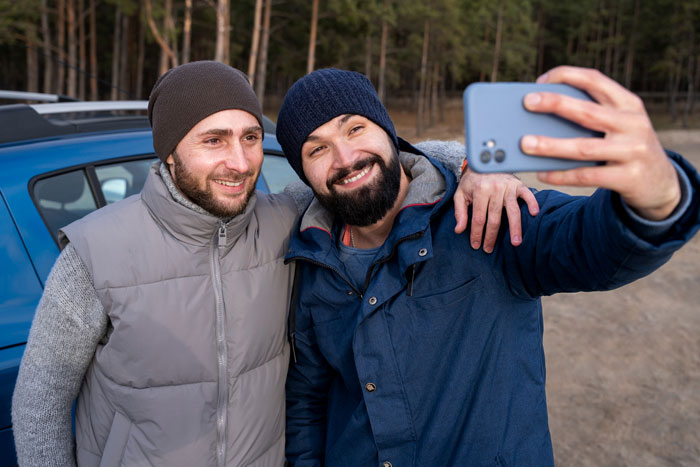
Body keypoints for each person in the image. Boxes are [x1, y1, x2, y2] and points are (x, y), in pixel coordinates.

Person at [10, 61, 534, 467]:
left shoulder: (287, 218)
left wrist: (476, 164)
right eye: (213, 141)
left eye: (251, 138)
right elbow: (39, 402)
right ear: (168, 155)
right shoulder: (94, 253)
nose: (239, 163)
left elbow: (377, 164)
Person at [276, 66, 700, 467]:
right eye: (318, 148)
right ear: (303, 173)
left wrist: (657, 195)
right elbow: (309, 400)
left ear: (388, 132)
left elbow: (586, 243)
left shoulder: (485, 215)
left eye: (355, 128)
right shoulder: (313, 260)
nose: (345, 157)